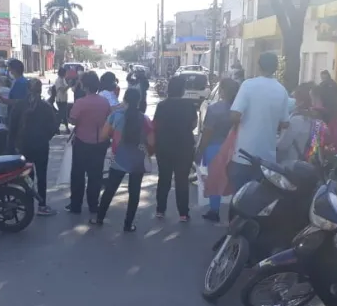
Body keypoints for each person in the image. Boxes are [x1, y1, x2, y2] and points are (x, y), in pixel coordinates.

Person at [92, 88, 155, 231]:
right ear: (139, 101)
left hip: (118, 157)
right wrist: (146, 152)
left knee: (110, 189)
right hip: (138, 160)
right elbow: (152, 142)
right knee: (134, 192)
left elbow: (103, 136)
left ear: (125, 100)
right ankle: (128, 224)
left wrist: (115, 137)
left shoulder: (115, 116)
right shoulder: (145, 119)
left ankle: (99, 218)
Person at [227, 52, 290, 191]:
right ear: (276, 67)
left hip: (244, 154)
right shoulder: (282, 90)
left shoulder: (248, 85)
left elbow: (235, 115)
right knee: (262, 197)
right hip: (267, 157)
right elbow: (285, 123)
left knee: (240, 196)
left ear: (259, 66)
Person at [9, 78, 59, 216]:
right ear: (40, 90)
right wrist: (45, 138)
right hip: (41, 146)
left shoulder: (20, 105)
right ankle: (42, 205)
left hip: (24, 146)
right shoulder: (45, 107)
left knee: (27, 176)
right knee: (42, 177)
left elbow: (12, 128)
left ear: (27, 89)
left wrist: (12, 146)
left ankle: (28, 203)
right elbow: (54, 127)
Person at [153, 75, 198, 221]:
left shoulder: (162, 105)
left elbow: (155, 125)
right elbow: (194, 125)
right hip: (184, 147)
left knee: (164, 178)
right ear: (182, 90)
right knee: (182, 180)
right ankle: (183, 213)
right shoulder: (189, 105)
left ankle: (160, 210)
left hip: (164, 146)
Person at [67, 71, 111, 214]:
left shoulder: (80, 103)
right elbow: (108, 119)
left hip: (82, 142)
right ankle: (93, 204)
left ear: (85, 86)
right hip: (99, 143)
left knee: (78, 175)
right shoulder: (104, 102)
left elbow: (73, 120)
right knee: (95, 176)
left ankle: (76, 205)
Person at [195, 77, 239, 221]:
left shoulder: (214, 109)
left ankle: (215, 210)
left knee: (215, 179)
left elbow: (207, 132)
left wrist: (200, 150)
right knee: (233, 179)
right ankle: (236, 211)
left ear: (222, 91)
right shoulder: (238, 109)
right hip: (235, 147)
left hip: (215, 147)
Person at [54, 67, 70, 133]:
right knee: (61, 115)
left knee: (64, 114)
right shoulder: (58, 80)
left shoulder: (63, 79)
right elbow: (62, 90)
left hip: (64, 99)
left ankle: (67, 128)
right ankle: (56, 128)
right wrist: (69, 85)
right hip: (60, 99)